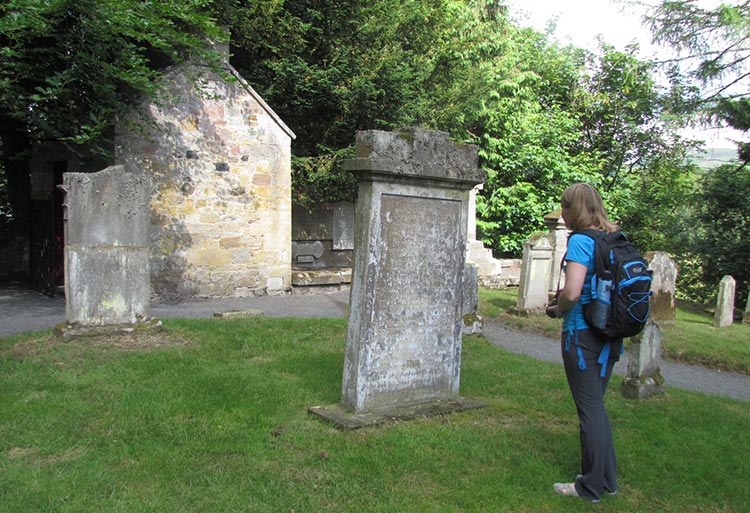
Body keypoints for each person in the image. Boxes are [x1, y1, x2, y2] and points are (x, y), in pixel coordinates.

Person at [545, 182, 622, 503]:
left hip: (582, 335)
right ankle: (607, 480)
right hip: (610, 334)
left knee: (589, 411)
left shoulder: (580, 241)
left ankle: (588, 487)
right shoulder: (613, 239)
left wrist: (556, 309)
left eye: (564, 206)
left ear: (574, 209)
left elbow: (574, 292)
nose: (561, 213)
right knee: (597, 408)